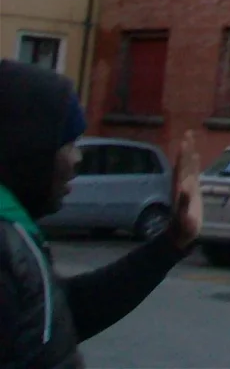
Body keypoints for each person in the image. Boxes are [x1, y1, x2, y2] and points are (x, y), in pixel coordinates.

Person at [0, 60, 202, 369]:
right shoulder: (4, 249)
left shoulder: (13, 237)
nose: (78, 159)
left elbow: (58, 316)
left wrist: (173, 241)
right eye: (68, 144)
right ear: (29, 148)